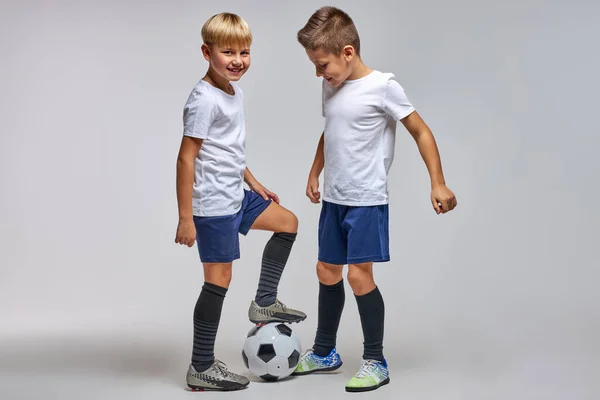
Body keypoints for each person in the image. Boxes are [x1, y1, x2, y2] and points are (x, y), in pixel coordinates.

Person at [292, 6, 458, 393]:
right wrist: (314, 172)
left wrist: (438, 182)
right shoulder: (331, 86)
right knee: (325, 271)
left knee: (358, 275)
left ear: (347, 52)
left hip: (366, 199)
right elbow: (330, 131)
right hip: (335, 198)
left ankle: (375, 360)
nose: (320, 73)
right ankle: (324, 352)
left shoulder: (383, 86)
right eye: (315, 67)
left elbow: (421, 131)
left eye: (323, 64)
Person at [174, 12, 306, 391]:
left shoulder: (235, 92)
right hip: (213, 206)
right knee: (219, 281)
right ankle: (201, 366)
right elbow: (187, 158)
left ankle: (264, 301)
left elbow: (229, 150)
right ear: (207, 51)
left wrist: (255, 182)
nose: (237, 60)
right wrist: (187, 218)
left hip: (237, 195)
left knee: (288, 222)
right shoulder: (202, 100)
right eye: (227, 52)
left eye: (244, 52)